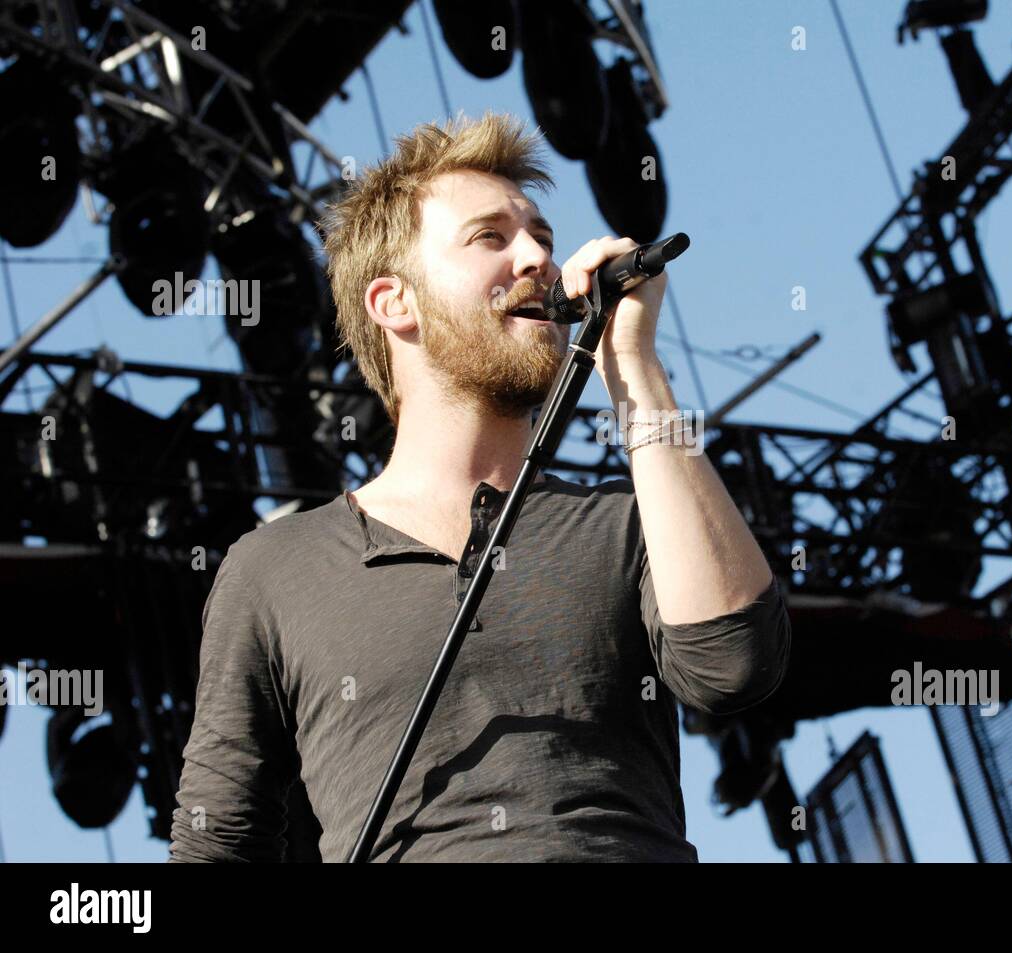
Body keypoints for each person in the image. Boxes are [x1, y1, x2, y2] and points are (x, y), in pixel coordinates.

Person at [168, 111, 791, 862]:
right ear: (394, 302)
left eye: (542, 238)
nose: (536, 257)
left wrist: (635, 370)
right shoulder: (273, 571)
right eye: (489, 238)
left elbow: (733, 664)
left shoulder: (626, 525)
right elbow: (216, 845)